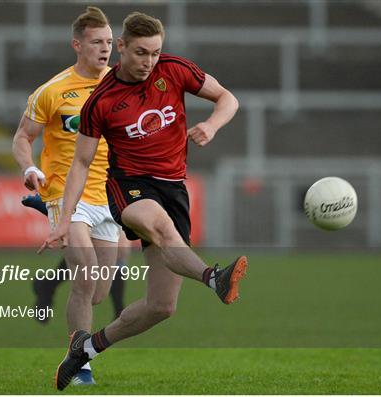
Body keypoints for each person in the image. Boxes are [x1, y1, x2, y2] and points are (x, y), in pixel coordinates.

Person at [39, 11, 247, 391]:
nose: (148, 62)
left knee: (161, 307)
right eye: (140, 53)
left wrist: (212, 125)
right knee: (160, 224)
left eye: (154, 53)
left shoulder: (175, 70)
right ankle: (214, 277)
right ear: (121, 47)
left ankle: (87, 348)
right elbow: (82, 163)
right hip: (129, 187)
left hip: (174, 187)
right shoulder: (101, 100)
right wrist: (64, 219)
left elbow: (227, 98)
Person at [12, 6, 120, 386]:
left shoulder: (122, 84)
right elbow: (23, 137)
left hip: (110, 196)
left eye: (109, 42)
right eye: (97, 42)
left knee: (98, 292)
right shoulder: (52, 91)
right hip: (65, 194)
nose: (105, 49)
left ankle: (68, 310)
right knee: (85, 278)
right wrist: (29, 168)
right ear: (78, 44)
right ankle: (80, 365)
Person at [22, 193, 129, 321]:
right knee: (86, 251)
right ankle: (119, 310)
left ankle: (47, 284)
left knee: (118, 251)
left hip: (113, 186)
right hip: (89, 191)